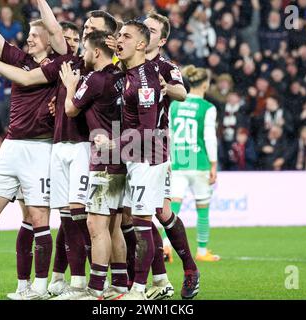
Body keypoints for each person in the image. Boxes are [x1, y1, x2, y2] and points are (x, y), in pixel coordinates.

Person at [0, 0, 70, 300]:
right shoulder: (18, 58)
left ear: (49, 40)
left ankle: (40, 287)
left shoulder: (59, 64)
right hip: (11, 147)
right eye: (30, 35)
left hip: (40, 150)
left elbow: (24, 78)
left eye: (35, 35)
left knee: (38, 219)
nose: (29, 38)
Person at [60, 30, 128, 300]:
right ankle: (120, 284)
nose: (82, 55)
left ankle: (96, 289)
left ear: (96, 52)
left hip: (103, 159)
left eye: (85, 49)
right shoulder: (121, 77)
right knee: (114, 226)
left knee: (96, 225)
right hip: (123, 156)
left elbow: (70, 110)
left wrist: (69, 86)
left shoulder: (96, 79)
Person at [143, 12, 199, 301]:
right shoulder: (124, 61)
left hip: (154, 143)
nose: (145, 32)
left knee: (159, 211)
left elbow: (182, 92)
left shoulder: (165, 67)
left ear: (162, 39)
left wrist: (167, 87)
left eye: (151, 30)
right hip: (123, 141)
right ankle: (158, 280)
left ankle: (189, 268)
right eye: (143, 27)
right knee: (131, 213)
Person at [115, 20, 164, 300]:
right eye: (119, 35)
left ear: (142, 44)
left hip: (148, 157)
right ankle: (159, 281)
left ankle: (139, 288)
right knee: (136, 219)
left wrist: (113, 142)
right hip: (134, 157)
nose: (119, 40)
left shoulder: (145, 79)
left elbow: (146, 131)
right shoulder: (130, 72)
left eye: (126, 36)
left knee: (142, 220)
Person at [169, 65, 219, 263]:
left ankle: (165, 246)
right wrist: (213, 164)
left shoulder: (175, 104)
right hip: (198, 162)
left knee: (172, 208)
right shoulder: (207, 108)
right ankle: (201, 250)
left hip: (178, 161)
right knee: (203, 208)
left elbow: (170, 134)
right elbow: (209, 138)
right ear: (205, 84)